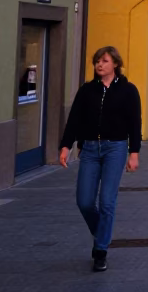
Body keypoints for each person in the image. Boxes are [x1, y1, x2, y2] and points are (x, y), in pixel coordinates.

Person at [58, 46, 142, 272]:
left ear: (115, 64)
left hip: (115, 149)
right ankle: (102, 231)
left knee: (107, 201)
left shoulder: (128, 90)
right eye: (97, 61)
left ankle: (101, 250)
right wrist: (66, 145)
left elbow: (135, 123)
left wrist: (134, 152)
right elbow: (74, 119)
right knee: (84, 201)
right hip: (90, 149)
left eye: (104, 61)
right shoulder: (87, 91)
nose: (99, 65)